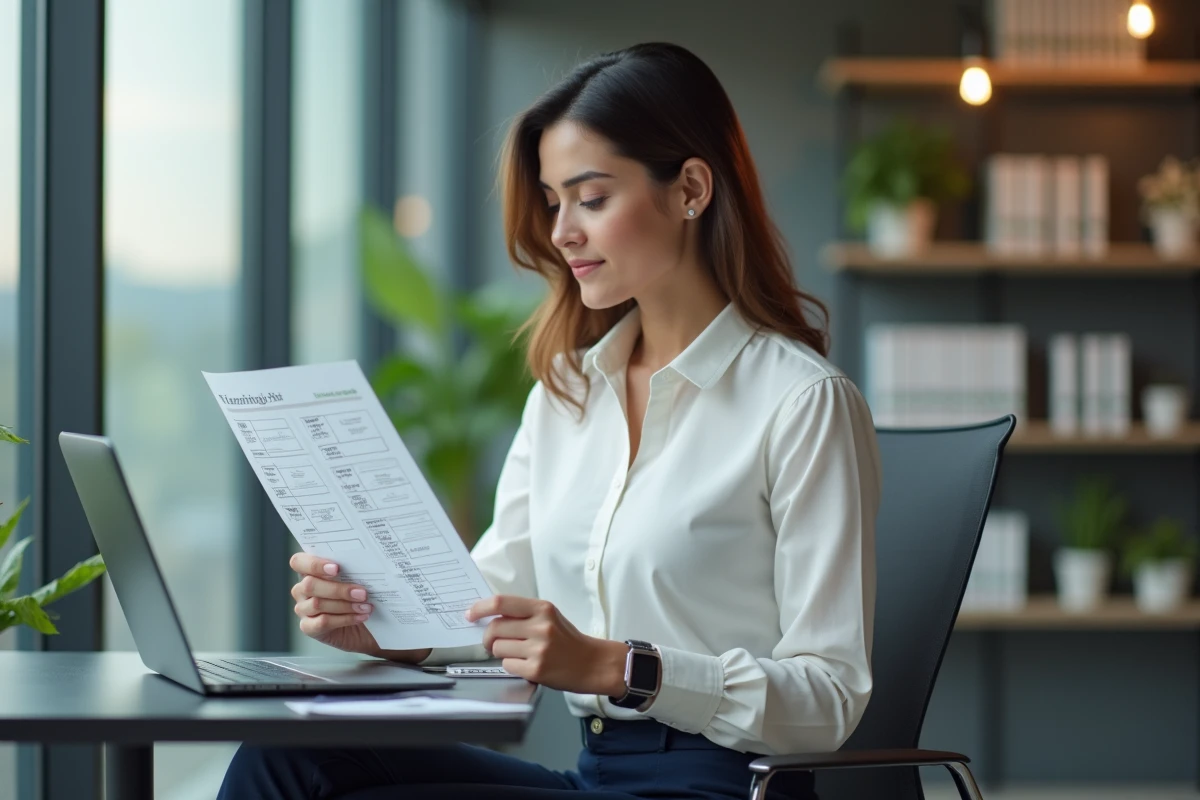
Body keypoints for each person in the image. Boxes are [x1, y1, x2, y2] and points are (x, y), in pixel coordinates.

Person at [220, 41, 881, 800]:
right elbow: (485, 609)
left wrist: (617, 666)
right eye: (554, 200)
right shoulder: (565, 394)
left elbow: (831, 697)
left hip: (728, 786)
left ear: (691, 188)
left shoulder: (802, 403)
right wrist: (389, 635)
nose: (563, 230)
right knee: (287, 755)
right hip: (596, 778)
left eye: (591, 198)